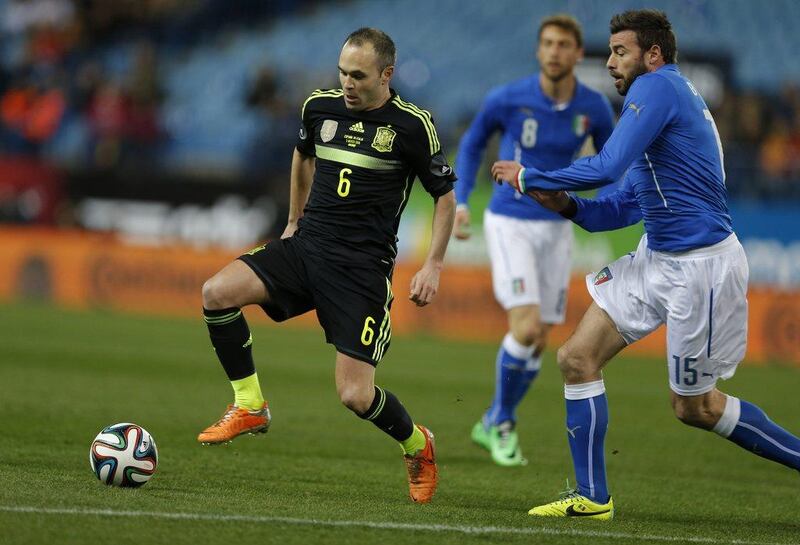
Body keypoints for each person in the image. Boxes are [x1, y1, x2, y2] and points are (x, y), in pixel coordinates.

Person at [492, 9, 800, 519]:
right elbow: (618, 205)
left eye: (620, 52)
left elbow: (606, 165)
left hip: (700, 267)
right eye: (611, 51)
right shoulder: (659, 108)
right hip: (656, 257)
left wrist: (533, 178)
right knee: (576, 358)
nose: (610, 62)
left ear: (652, 55)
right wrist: (565, 204)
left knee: (695, 407)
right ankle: (592, 498)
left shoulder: (657, 90)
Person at [198, 27, 456, 504]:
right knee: (216, 293)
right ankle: (250, 404)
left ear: (387, 74)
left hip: (361, 269)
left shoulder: (413, 125)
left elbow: (444, 197)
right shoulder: (319, 106)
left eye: (358, 76)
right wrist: (293, 222)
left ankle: (418, 444)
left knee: (355, 397)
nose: (347, 84)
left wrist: (433, 265)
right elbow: (302, 156)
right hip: (308, 244)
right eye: (342, 73)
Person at [454, 14, 614, 466]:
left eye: (564, 44)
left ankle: (493, 420)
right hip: (510, 221)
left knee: (539, 340)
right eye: (547, 43)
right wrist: (462, 201)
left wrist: (606, 208)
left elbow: (613, 161)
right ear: (538, 49)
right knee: (524, 328)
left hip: (557, 226)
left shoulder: (594, 107)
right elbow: (471, 144)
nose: (554, 51)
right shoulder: (509, 98)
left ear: (579, 54)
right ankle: (499, 420)